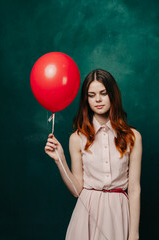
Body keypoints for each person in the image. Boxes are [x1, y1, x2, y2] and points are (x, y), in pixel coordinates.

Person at [44, 69, 142, 240]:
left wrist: (134, 233)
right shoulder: (77, 138)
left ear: (113, 95)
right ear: (86, 99)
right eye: (91, 95)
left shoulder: (132, 136)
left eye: (103, 93)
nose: (97, 99)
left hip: (118, 212)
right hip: (86, 214)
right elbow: (77, 190)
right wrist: (60, 159)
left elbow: (134, 189)